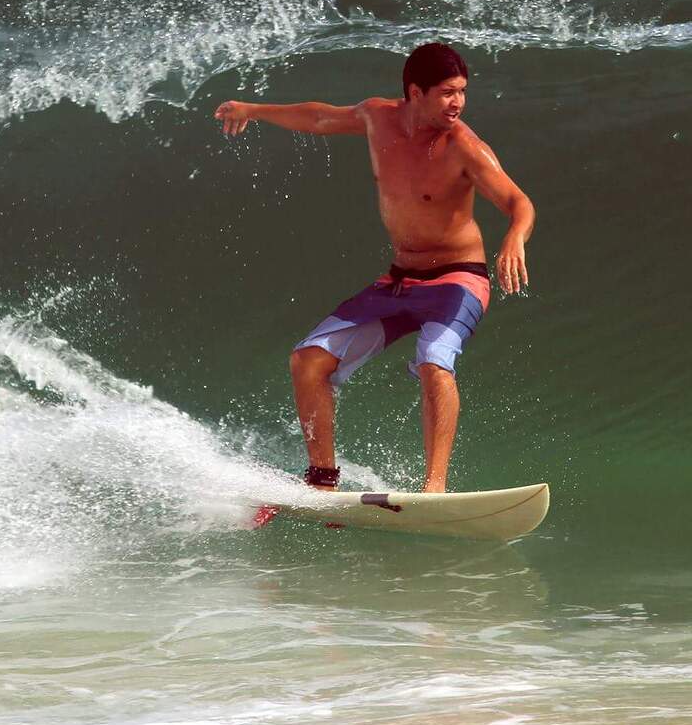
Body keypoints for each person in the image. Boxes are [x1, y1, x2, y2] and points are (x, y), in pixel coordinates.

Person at [214, 42, 534, 507]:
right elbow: (319, 117)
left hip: (457, 280)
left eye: (462, 92)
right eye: (447, 93)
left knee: (434, 361)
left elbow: (518, 202)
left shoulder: (464, 147)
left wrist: (514, 237)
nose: (458, 103)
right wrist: (255, 109)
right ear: (415, 92)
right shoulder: (376, 118)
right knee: (308, 360)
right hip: (399, 280)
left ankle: (434, 489)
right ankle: (322, 478)